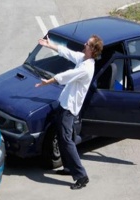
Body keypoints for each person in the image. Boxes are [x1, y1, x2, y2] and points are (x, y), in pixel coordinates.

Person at [35, 35, 103, 189]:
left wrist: (49, 81)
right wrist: (49, 45)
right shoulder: (83, 59)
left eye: (88, 44)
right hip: (65, 104)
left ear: (92, 50)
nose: (84, 44)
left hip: (69, 108)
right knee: (64, 137)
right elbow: (67, 52)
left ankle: (81, 176)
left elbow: (67, 76)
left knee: (66, 140)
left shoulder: (86, 68)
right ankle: (68, 168)